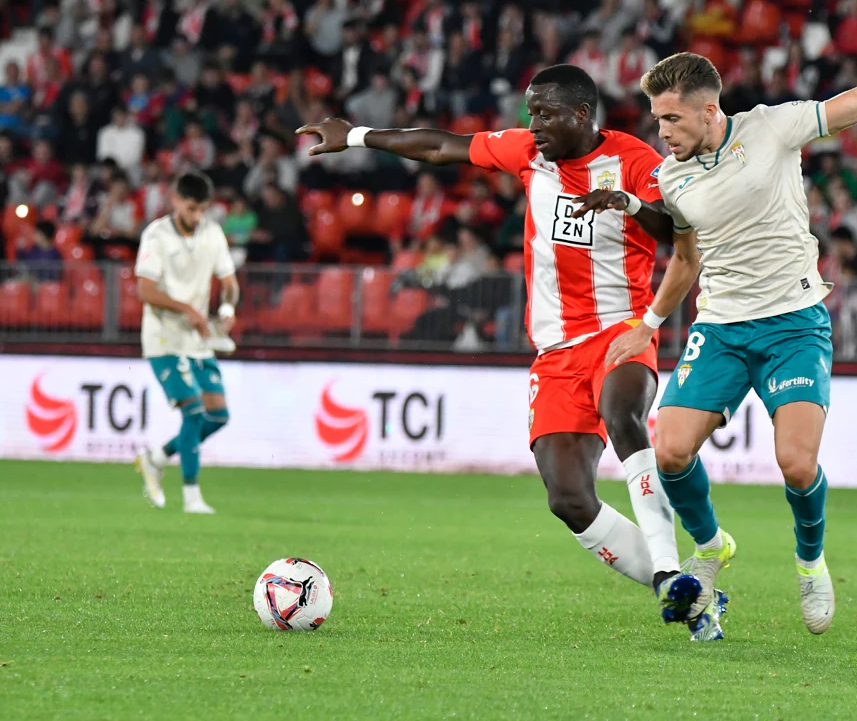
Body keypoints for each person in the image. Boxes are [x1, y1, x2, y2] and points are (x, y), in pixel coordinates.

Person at [582, 0, 857, 639]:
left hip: (794, 322)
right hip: (721, 326)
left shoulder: (773, 126)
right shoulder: (671, 177)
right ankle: (710, 548)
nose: (662, 133)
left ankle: (810, 559)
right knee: (671, 450)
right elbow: (685, 259)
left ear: (710, 111)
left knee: (796, 465)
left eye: (671, 121)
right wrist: (648, 325)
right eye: (657, 121)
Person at [296, 65, 707, 636]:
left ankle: (668, 569)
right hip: (556, 352)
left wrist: (629, 205)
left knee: (624, 415)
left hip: (622, 330)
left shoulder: (636, 161)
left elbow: (682, 234)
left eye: (544, 114)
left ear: (582, 115)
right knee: (567, 498)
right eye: (529, 113)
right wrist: (359, 136)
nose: (532, 125)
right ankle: (688, 587)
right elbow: (444, 146)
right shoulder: (529, 154)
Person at [133, 172, 239, 515]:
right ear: (176, 200)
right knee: (194, 414)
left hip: (198, 338)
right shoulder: (157, 235)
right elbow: (145, 291)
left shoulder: (212, 232)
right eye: (192, 208)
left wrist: (226, 308)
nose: (197, 217)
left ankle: (156, 458)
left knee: (219, 416)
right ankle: (192, 497)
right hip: (164, 338)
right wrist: (188, 309)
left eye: (202, 210)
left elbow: (229, 282)